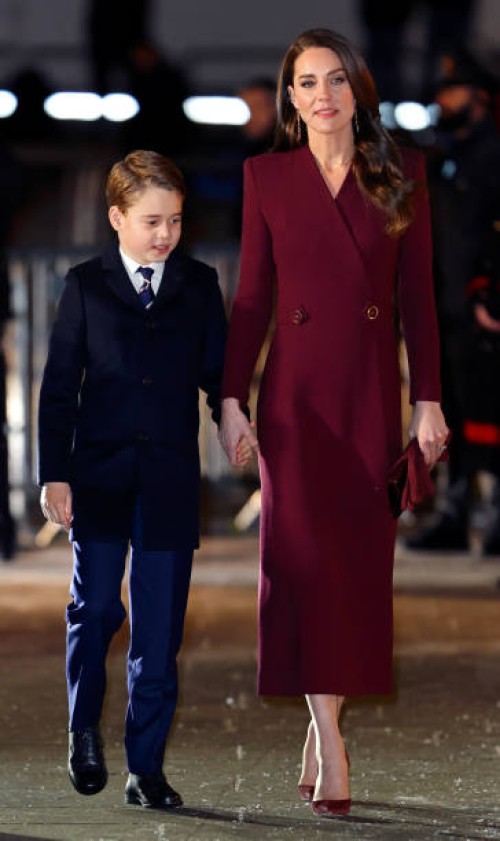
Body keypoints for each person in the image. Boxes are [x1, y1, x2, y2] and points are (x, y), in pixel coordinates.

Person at [218, 28, 448, 817]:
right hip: (295, 400)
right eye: (306, 82)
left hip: (370, 398)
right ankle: (333, 737)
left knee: (354, 574)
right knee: (303, 564)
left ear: (358, 90)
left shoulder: (402, 174)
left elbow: (419, 299)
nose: (322, 95)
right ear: (290, 98)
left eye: (335, 80)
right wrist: (229, 399)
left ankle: (322, 728)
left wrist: (429, 401)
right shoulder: (266, 177)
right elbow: (251, 299)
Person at [37, 150, 228, 808]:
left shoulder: (199, 285)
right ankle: (82, 727)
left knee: (158, 634)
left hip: (171, 479)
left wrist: (235, 418)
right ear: (116, 217)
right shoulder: (85, 285)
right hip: (99, 476)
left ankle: (146, 766)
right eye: (152, 221)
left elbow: (220, 375)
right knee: (94, 611)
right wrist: (53, 474)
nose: (165, 234)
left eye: (175, 220)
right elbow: (59, 389)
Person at [406, 57, 500, 553]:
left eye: (454, 90)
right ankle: (456, 511)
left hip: (483, 310)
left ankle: (490, 512)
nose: (443, 100)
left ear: (480, 96)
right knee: (454, 421)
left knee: (490, 414)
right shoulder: (445, 154)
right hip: (445, 309)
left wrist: (491, 291)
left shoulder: (491, 154)